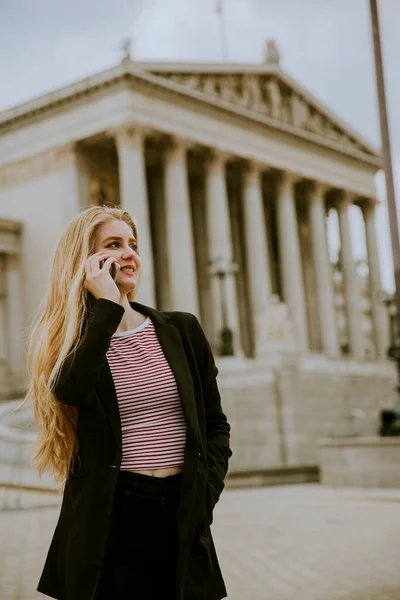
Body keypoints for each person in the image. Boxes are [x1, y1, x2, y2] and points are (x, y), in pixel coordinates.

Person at [24, 205, 232, 600]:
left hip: (182, 510)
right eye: (113, 245)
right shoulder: (71, 341)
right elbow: (71, 390)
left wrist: (205, 491)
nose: (129, 253)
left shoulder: (181, 329)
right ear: (86, 262)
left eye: (132, 244)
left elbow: (215, 423)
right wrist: (104, 307)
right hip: (111, 517)